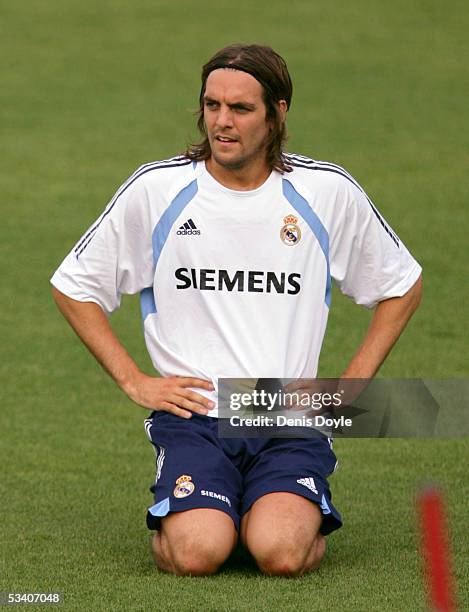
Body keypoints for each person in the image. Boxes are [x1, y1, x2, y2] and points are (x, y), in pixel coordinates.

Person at [51, 43, 423, 577]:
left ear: (278, 113)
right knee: (198, 555)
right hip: (195, 417)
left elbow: (402, 286)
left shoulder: (325, 193)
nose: (222, 122)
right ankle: (215, 523)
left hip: (287, 416)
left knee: (281, 554)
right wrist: (134, 381)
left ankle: (258, 520)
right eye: (212, 105)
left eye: (241, 109)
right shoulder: (158, 190)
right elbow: (74, 285)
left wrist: (353, 387)